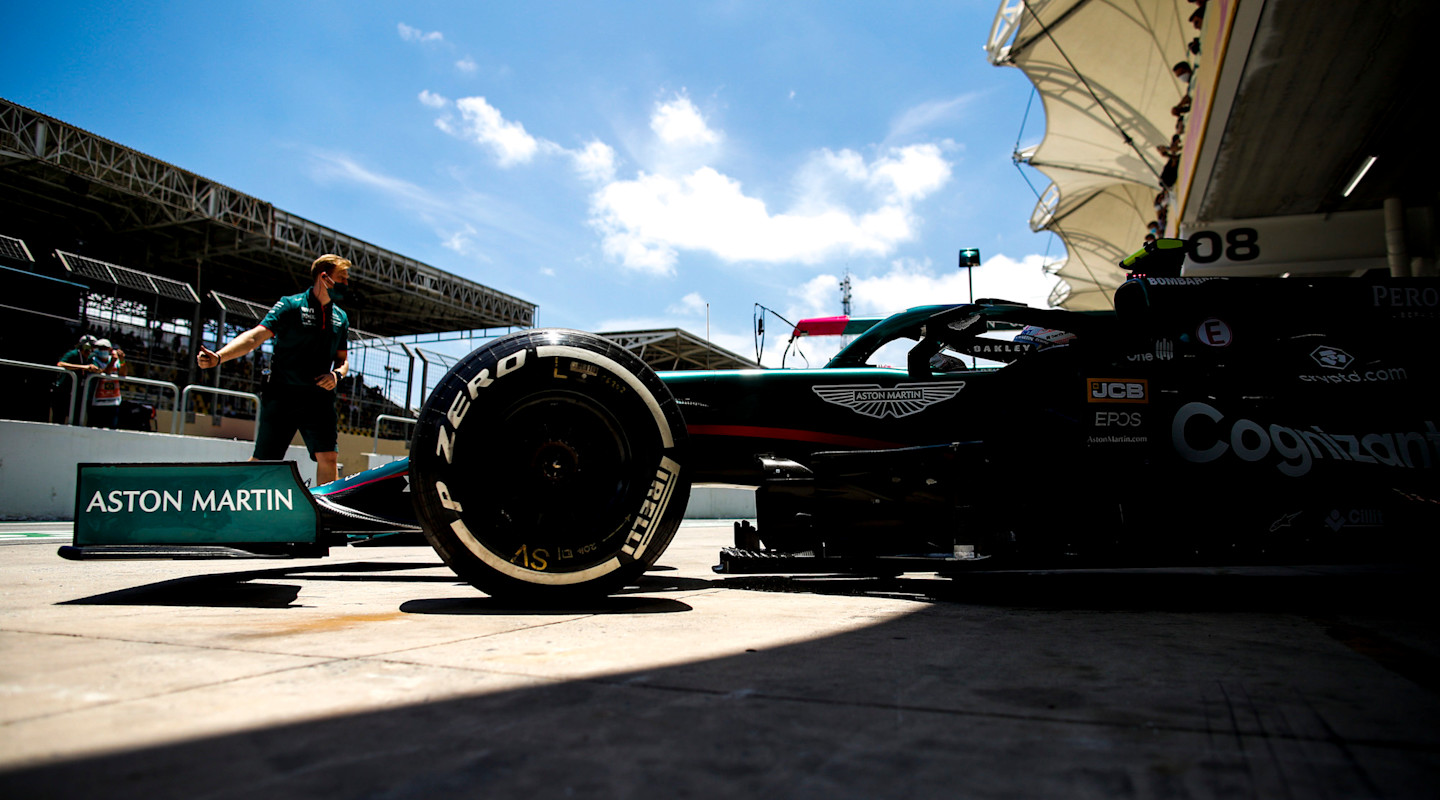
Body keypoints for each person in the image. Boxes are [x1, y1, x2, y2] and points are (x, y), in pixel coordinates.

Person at [197, 254, 352, 485]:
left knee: (328, 457)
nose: (346, 284)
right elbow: (255, 337)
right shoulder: (290, 305)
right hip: (282, 394)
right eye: (342, 278)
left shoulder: (341, 318)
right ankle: (228, 497)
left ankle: (327, 516)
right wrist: (219, 356)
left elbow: (343, 361)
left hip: (318, 398)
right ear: (324, 277)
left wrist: (336, 375)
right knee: (264, 460)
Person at [53, 335, 99, 424]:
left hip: (79, 392)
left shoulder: (90, 358)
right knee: (59, 418)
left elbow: (95, 368)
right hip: (64, 391)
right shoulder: (73, 354)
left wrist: (94, 368)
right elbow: (60, 364)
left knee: (76, 418)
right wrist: (82, 367)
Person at [88, 338, 128, 428]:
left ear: (109, 349)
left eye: (103, 348)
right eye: (98, 348)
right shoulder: (94, 360)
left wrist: (122, 360)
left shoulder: (115, 361)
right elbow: (105, 373)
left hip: (113, 402)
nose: (100, 350)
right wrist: (112, 362)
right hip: (97, 403)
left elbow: (123, 373)